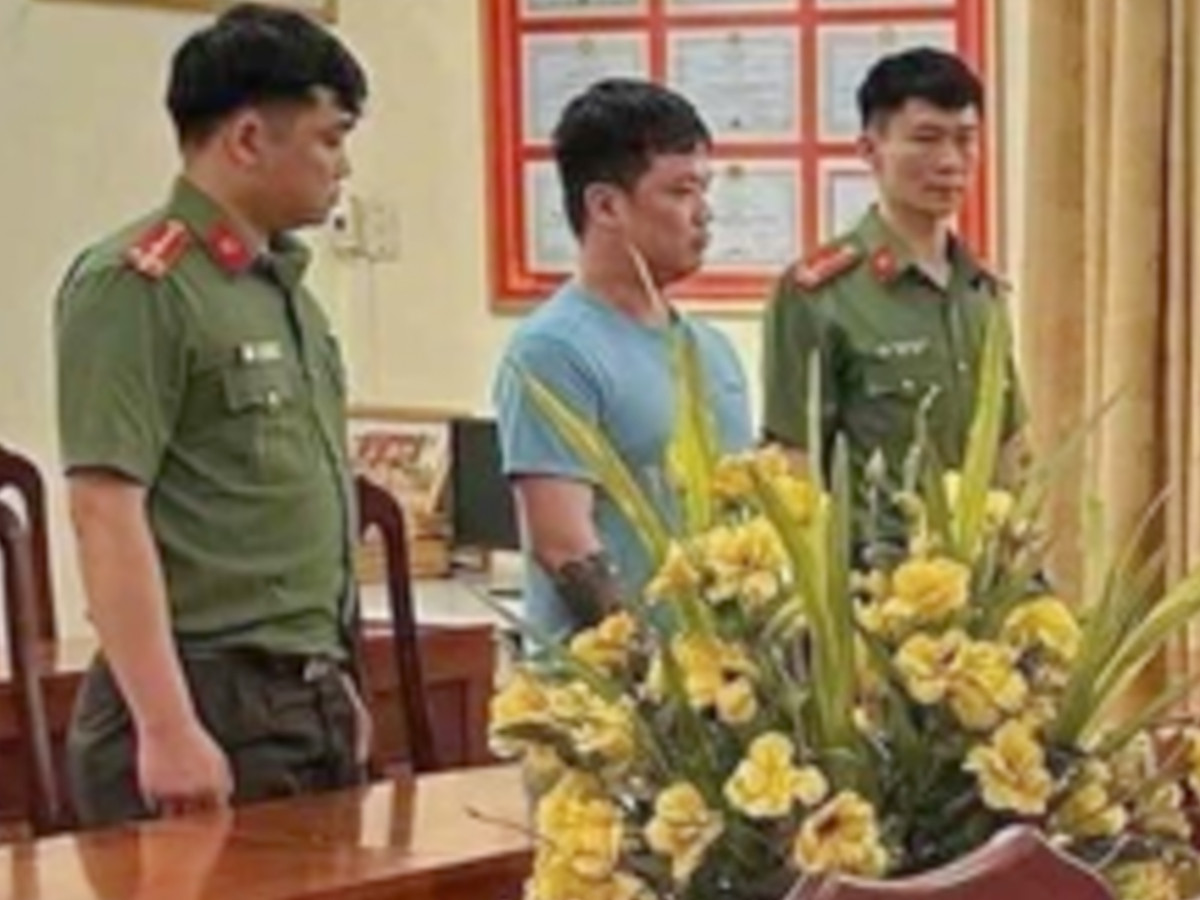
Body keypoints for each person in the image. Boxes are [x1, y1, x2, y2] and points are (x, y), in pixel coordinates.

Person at [56, 3, 370, 827]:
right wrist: (166, 727)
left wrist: (337, 682)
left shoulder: (282, 293)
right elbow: (103, 510)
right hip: (202, 690)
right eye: (329, 139)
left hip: (303, 692)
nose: (342, 167)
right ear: (248, 139)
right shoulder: (138, 285)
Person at [493, 78, 753, 640]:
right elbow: (563, 545)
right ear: (606, 205)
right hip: (611, 683)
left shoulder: (712, 349)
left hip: (724, 676)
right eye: (680, 192)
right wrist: (650, 667)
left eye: (704, 191)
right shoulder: (553, 351)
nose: (704, 214)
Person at [760, 47, 1027, 561]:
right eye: (926, 139)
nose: (950, 162)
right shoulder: (819, 294)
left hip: (979, 577)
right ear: (870, 149)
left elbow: (1008, 448)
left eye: (965, 139)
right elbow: (793, 462)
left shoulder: (982, 290)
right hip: (872, 583)